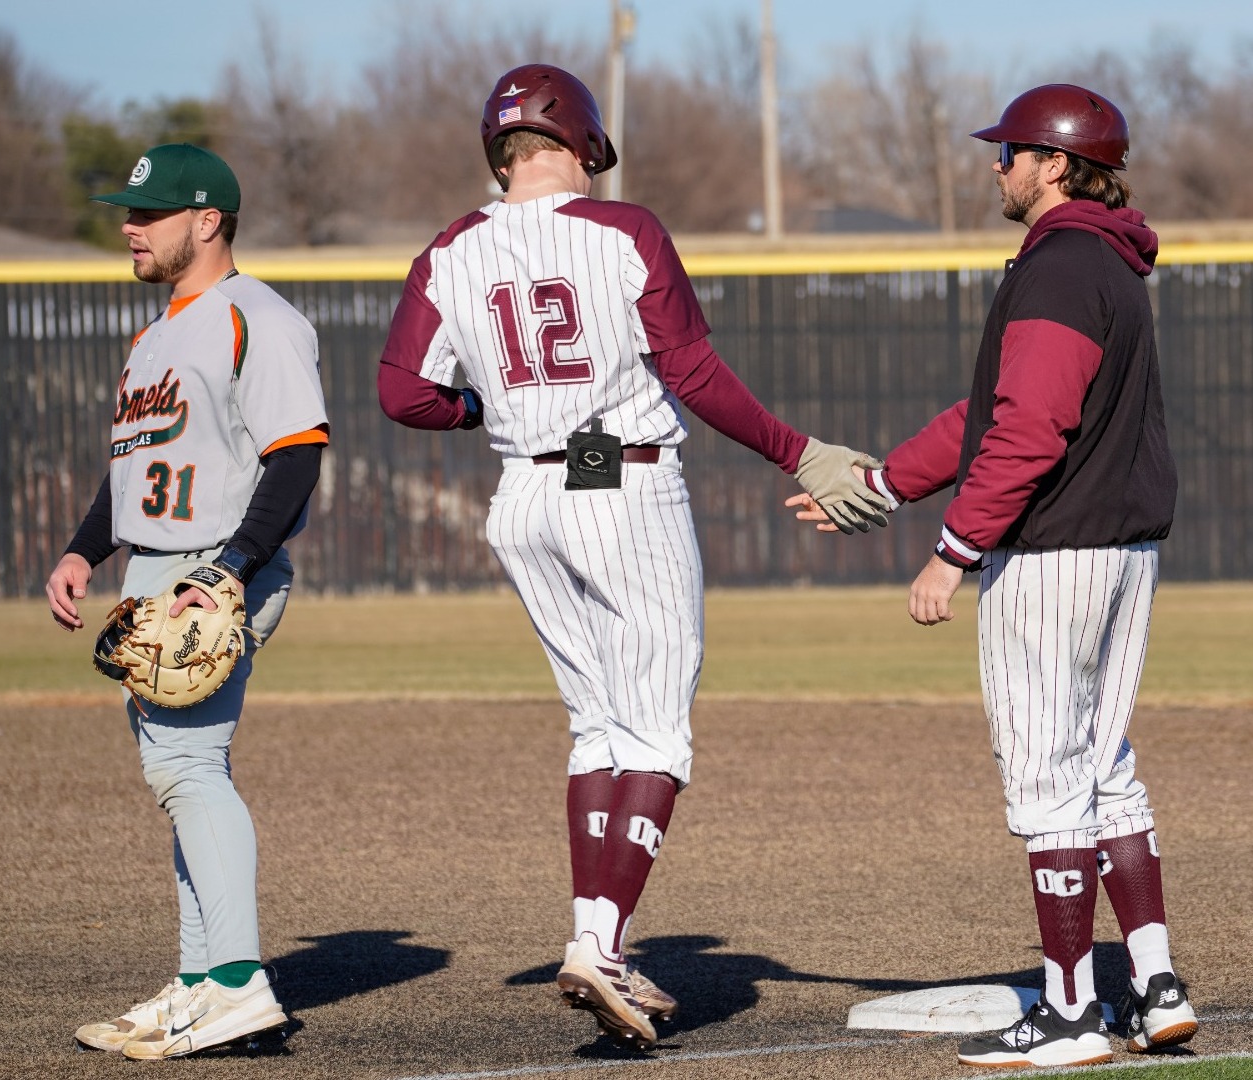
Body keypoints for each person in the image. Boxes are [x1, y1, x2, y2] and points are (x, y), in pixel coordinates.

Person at [377, 63, 886, 1051]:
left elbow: (403, 394)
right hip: (616, 474)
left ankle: (592, 933)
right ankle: (601, 948)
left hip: (522, 490)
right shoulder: (622, 230)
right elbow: (689, 367)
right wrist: (799, 449)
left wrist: (481, 406)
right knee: (655, 732)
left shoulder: (451, 248)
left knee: (597, 727)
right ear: (582, 144)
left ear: (500, 151)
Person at [790, 84, 1197, 1068]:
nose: (997, 165)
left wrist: (951, 553)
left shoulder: (1060, 267)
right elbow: (987, 420)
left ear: (1058, 165)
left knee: (1048, 779)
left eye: (1012, 150)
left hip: (1052, 554)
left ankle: (1066, 1014)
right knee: (1105, 771)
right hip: (1119, 551)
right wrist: (887, 482)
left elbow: (1027, 431)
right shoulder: (1101, 261)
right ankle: (1153, 984)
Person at [44, 142, 328, 1059]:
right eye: (128, 212)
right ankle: (201, 983)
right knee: (183, 776)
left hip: (215, 567)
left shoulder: (260, 319)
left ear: (207, 221)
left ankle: (239, 984)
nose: (129, 226)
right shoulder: (156, 332)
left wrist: (235, 567)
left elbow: (297, 453)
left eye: (149, 213)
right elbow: (130, 468)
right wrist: (87, 551)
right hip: (155, 570)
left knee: (188, 770)